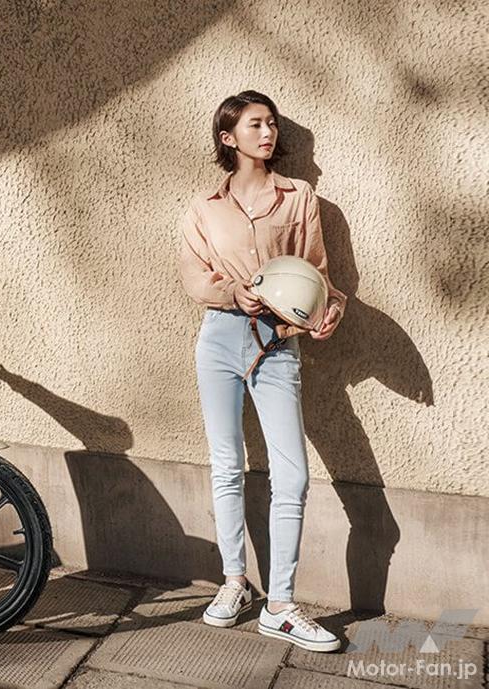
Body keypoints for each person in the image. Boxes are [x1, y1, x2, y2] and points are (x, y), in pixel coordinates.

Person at [177, 90, 347, 653]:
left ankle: (281, 606)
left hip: (276, 344)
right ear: (228, 138)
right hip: (219, 340)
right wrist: (232, 292)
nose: (268, 132)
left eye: (271, 123)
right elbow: (195, 277)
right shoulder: (204, 208)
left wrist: (327, 312)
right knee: (227, 465)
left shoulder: (299, 197)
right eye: (255, 125)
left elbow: (317, 273)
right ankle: (233, 582)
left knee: (290, 475)